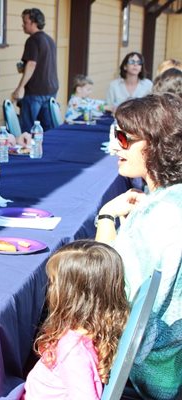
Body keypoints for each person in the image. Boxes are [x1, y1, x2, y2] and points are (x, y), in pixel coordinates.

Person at [96, 93, 182, 399]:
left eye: (124, 137)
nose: (115, 145)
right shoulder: (170, 200)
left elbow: (105, 289)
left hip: (150, 372)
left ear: (158, 144)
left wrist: (106, 217)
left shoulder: (159, 216)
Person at [24, 240, 129, 399]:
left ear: (71, 295)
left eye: (54, 282)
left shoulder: (72, 350)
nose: (50, 288)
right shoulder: (99, 329)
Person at [12, 8, 59, 132]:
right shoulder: (50, 40)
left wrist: (20, 87)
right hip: (51, 89)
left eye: (25, 21)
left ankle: (26, 151)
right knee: (48, 129)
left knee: (27, 128)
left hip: (35, 91)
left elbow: (32, 64)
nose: (23, 24)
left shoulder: (32, 40)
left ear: (33, 22)